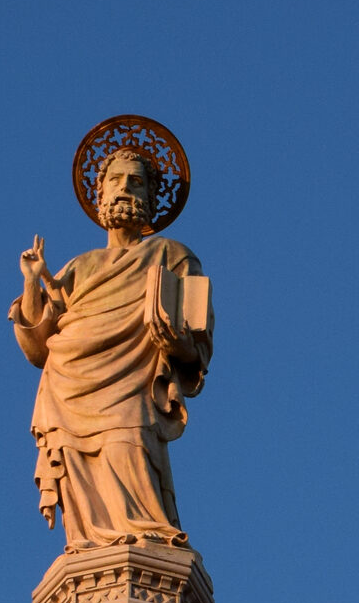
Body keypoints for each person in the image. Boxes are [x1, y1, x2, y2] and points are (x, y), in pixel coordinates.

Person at [11, 150, 211, 548]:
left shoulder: (173, 256)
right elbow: (38, 345)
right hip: (68, 385)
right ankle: (87, 547)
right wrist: (33, 283)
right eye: (115, 180)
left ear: (151, 197)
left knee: (129, 451)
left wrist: (176, 341)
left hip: (135, 383)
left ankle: (146, 543)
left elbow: (198, 343)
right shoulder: (77, 267)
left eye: (135, 181)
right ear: (100, 193)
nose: (124, 188)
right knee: (82, 490)